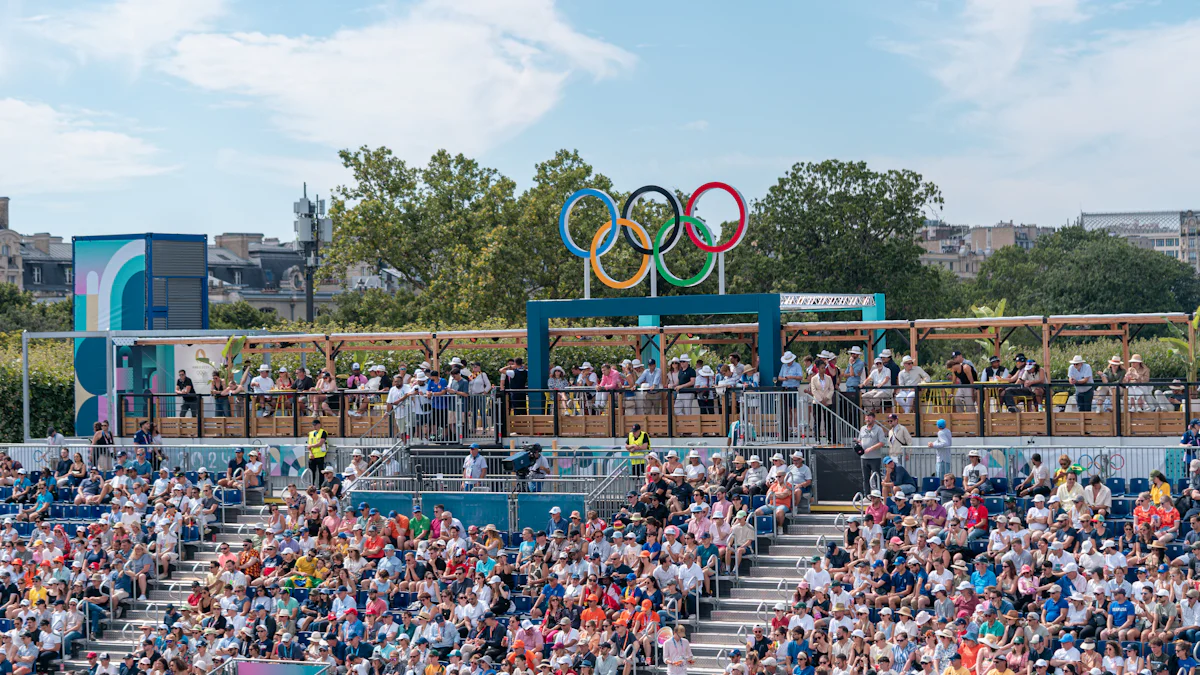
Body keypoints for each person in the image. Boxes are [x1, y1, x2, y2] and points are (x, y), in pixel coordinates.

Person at [857, 412, 886, 493]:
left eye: (869, 418)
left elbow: (882, 442)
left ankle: (879, 494)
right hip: (864, 457)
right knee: (865, 478)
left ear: (874, 418)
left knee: (876, 476)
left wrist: (871, 448)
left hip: (875, 457)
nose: (867, 420)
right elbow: (860, 440)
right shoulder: (862, 428)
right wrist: (858, 444)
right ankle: (867, 495)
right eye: (866, 418)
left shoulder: (879, 429)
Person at [306, 419, 329, 488]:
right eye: (313, 425)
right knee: (311, 472)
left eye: (315, 425)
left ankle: (321, 486)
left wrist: (311, 446)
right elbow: (309, 445)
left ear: (319, 425)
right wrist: (310, 453)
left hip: (320, 455)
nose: (314, 427)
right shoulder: (311, 433)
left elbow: (320, 443)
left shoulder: (323, 432)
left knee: (321, 472)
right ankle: (311, 485)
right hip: (312, 455)